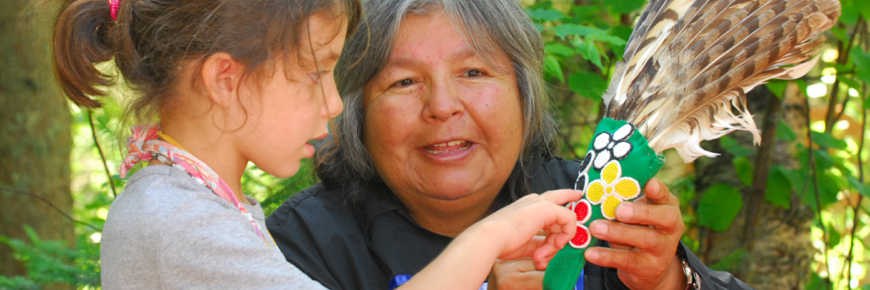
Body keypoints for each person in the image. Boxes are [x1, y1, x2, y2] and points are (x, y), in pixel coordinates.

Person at [51, 0, 584, 289]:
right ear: (226, 80)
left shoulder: (188, 206)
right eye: (313, 74)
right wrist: (489, 237)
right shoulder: (180, 224)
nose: (335, 103)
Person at [266, 0, 755, 289]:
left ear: (524, 94)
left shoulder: (598, 203)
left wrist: (668, 281)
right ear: (354, 111)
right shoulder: (301, 246)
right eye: (403, 82)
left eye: (474, 72)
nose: (442, 105)